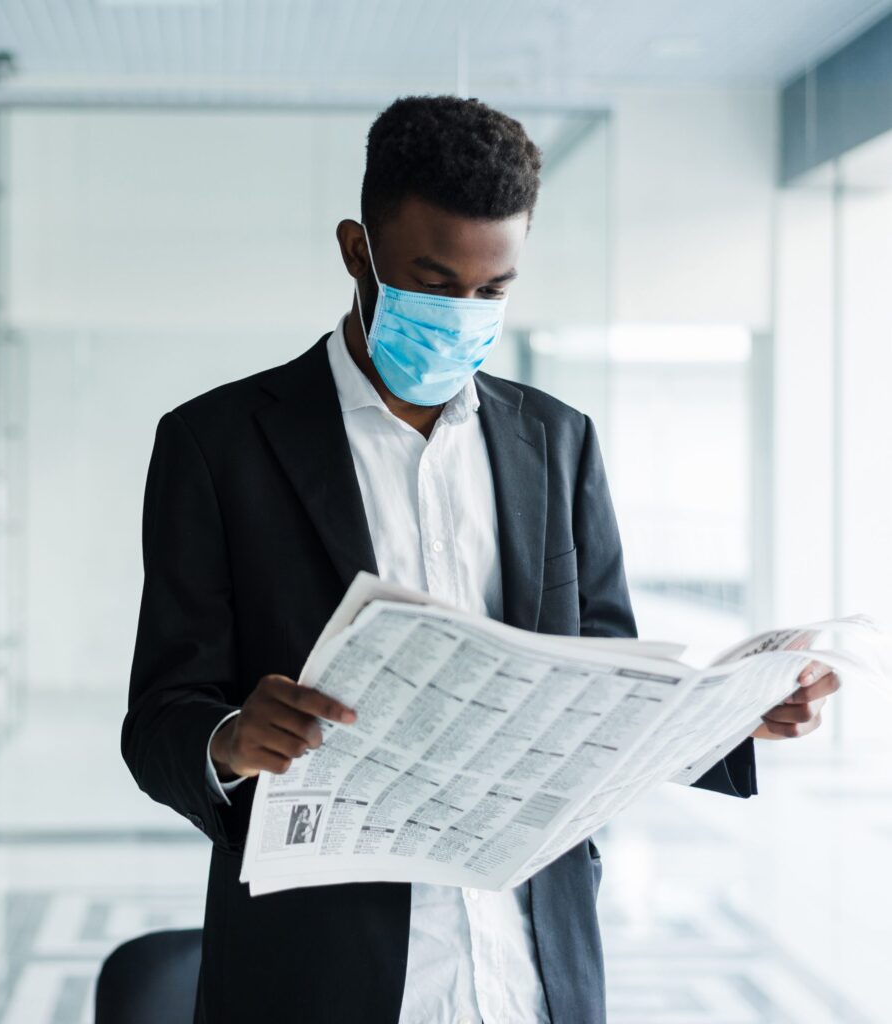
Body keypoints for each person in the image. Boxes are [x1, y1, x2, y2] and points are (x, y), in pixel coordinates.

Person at [122, 95, 841, 1024]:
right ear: (356, 251)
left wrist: (728, 713)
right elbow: (159, 719)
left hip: (531, 965)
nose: (462, 315)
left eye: (491, 291)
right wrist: (228, 740)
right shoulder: (216, 445)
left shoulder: (557, 440)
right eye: (431, 285)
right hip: (322, 973)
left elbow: (604, 681)